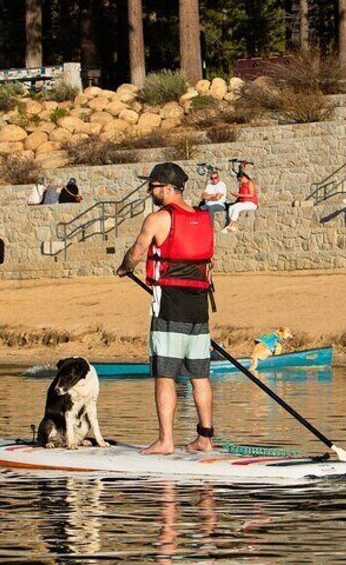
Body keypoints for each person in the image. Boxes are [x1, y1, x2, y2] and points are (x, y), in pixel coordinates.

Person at [116, 162, 215, 455]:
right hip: (199, 306)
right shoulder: (205, 218)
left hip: (170, 304)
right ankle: (205, 438)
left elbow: (136, 253)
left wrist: (124, 268)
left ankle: (166, 441)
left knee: (166, 374)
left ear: (169, 188)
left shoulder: (158, 219)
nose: (150, 190)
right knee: (200, 375)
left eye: (154, 186)